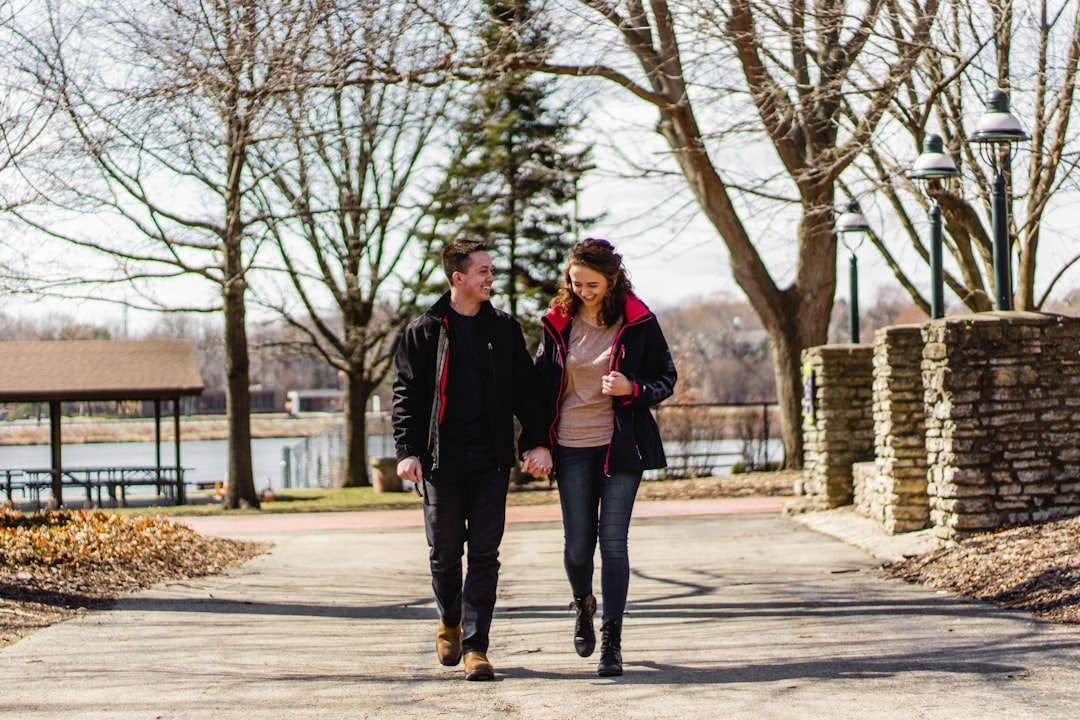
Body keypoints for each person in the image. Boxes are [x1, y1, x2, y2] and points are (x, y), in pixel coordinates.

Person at [392, 239, 550, 682]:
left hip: (491, 461)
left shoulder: (502, 328)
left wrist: (537, 441)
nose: (490, 277)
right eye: (482, 270)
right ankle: (449, 622)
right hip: (441, 462)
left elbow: (527, 392)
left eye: (491, 270)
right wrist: (407, 452)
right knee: (444, 552)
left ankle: (476, 647)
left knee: (484, 553)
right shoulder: (425, 330)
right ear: (457, 277)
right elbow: (406, 396)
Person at [524, 238, 677, 677]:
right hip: (571, 446)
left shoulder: (638, 320)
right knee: (577, 547)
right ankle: (583, 604)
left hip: (620, 445)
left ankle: (612, 638)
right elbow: (539, 391)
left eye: (591, 284)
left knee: (612, 542)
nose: (583, 292)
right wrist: (536, 444)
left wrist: (635, 389)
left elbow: (666, 377)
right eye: (575, 283)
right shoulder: (558, 324)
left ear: (612, 280)